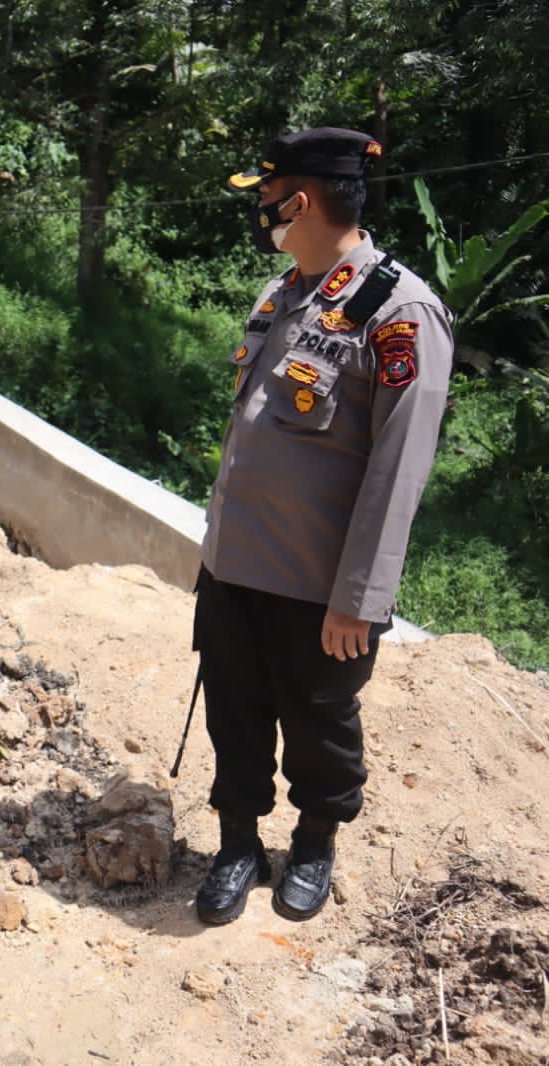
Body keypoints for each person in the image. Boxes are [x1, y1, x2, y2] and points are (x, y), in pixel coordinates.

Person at [193, 128, 453, 925]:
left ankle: (312, 844)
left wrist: (360, 598)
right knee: (232, 711)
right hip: (234, 564)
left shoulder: (398, 312)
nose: (261, 212)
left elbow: (396, 471)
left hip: (317, 583)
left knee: (318, 722)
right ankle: (238, 843)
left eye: (265, 200)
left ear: (296, 201)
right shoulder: (279, 295)